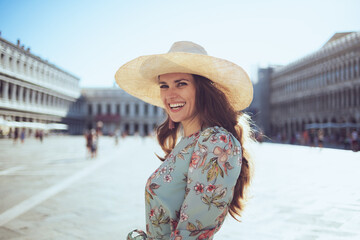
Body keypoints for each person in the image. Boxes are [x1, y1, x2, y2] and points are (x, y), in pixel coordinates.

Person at [115, 41, 254, 240]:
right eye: (164, 85)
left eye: (181, 84)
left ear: (202, 89)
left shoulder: (216, 142)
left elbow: (192, 234)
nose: (170, 95)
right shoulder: (190, 141)